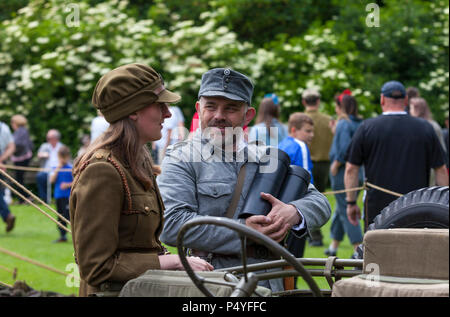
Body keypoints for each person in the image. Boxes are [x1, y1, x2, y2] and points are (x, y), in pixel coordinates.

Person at [157, 67, 331, 292]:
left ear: (247, 115)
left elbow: (319, 202)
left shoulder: (267, 156)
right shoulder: (181, 158)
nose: (219, 115)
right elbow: (171, 225)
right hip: (214, 281)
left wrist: (293, 212)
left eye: (230, 108)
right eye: (211, 106)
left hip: (272, 278)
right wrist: (245, 231)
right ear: (199, 109)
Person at [69, 63, 212, 297]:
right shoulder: (103, 171)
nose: (167, 113)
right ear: (133, 111)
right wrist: (171, 262)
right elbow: (95, 267)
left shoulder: (138, 161)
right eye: (159, 105)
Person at [345, 81, 449, 231]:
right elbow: (441, 170)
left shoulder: (367, 127)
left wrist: (351, 202)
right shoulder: (425, 128)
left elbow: (351, 169)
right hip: (417, 206)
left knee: (376, 250)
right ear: (406, 100)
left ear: (382, 99)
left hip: (378, 208)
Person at [325, 94, 363, 258]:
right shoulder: (360, 123)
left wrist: (337, 162)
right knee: (341, 209)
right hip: (360, 173)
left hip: (343, 173)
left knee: (347, 210)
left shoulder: (343, 123)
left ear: (341, 107)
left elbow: (346, 147)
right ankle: (333, 246)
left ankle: (358, 250)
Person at [302, 88, 333, 247]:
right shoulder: (328, 120)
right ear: (318, 101)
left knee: (306, 197)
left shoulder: (301, 120)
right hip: (324, 163)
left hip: (307, 162)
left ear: (304, 102)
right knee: (319, 197)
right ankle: (315, 234)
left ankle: (314, 236)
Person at [49, 145, 73, 243]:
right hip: (59, 196)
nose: (63, 159)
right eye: (61, 157)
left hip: (68, 196)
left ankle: (78, 236)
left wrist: (68, 185)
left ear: (68, 156)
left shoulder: (71, 168)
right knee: (60, 216)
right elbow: (51, 180)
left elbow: (77, 181)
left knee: (69, 216)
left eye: (65, 157)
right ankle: (62, 236)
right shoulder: (56, 168)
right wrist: (58, 167)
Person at [10, 114, 34, 203]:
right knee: (19, 179)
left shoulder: (21, 131)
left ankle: (26, 197)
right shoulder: (22, 131)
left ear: (15, 123)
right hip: (21, 157)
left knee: (19, 179)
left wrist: (11, 150)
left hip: (22, 157)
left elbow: (19, 145)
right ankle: (24, 198)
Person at [36, 129, 64, 203]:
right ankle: (44, 200)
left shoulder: (62, 147)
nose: (48, 140)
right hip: (47, 170)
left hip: (59, 170)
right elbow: (39, 155)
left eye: (50, 138)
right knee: (40, 176)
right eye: (48, 138)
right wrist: (43, 155)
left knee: (64, 177)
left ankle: (61, 199)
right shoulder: (45, 146)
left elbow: (67, 159)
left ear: (56, 138)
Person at [0, 120, 16, 232]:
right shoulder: (4, 127)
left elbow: (11, 146)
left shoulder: (4, 128)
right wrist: (2, 159)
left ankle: (7, 215)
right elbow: (11, 147)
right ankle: (7, 215)